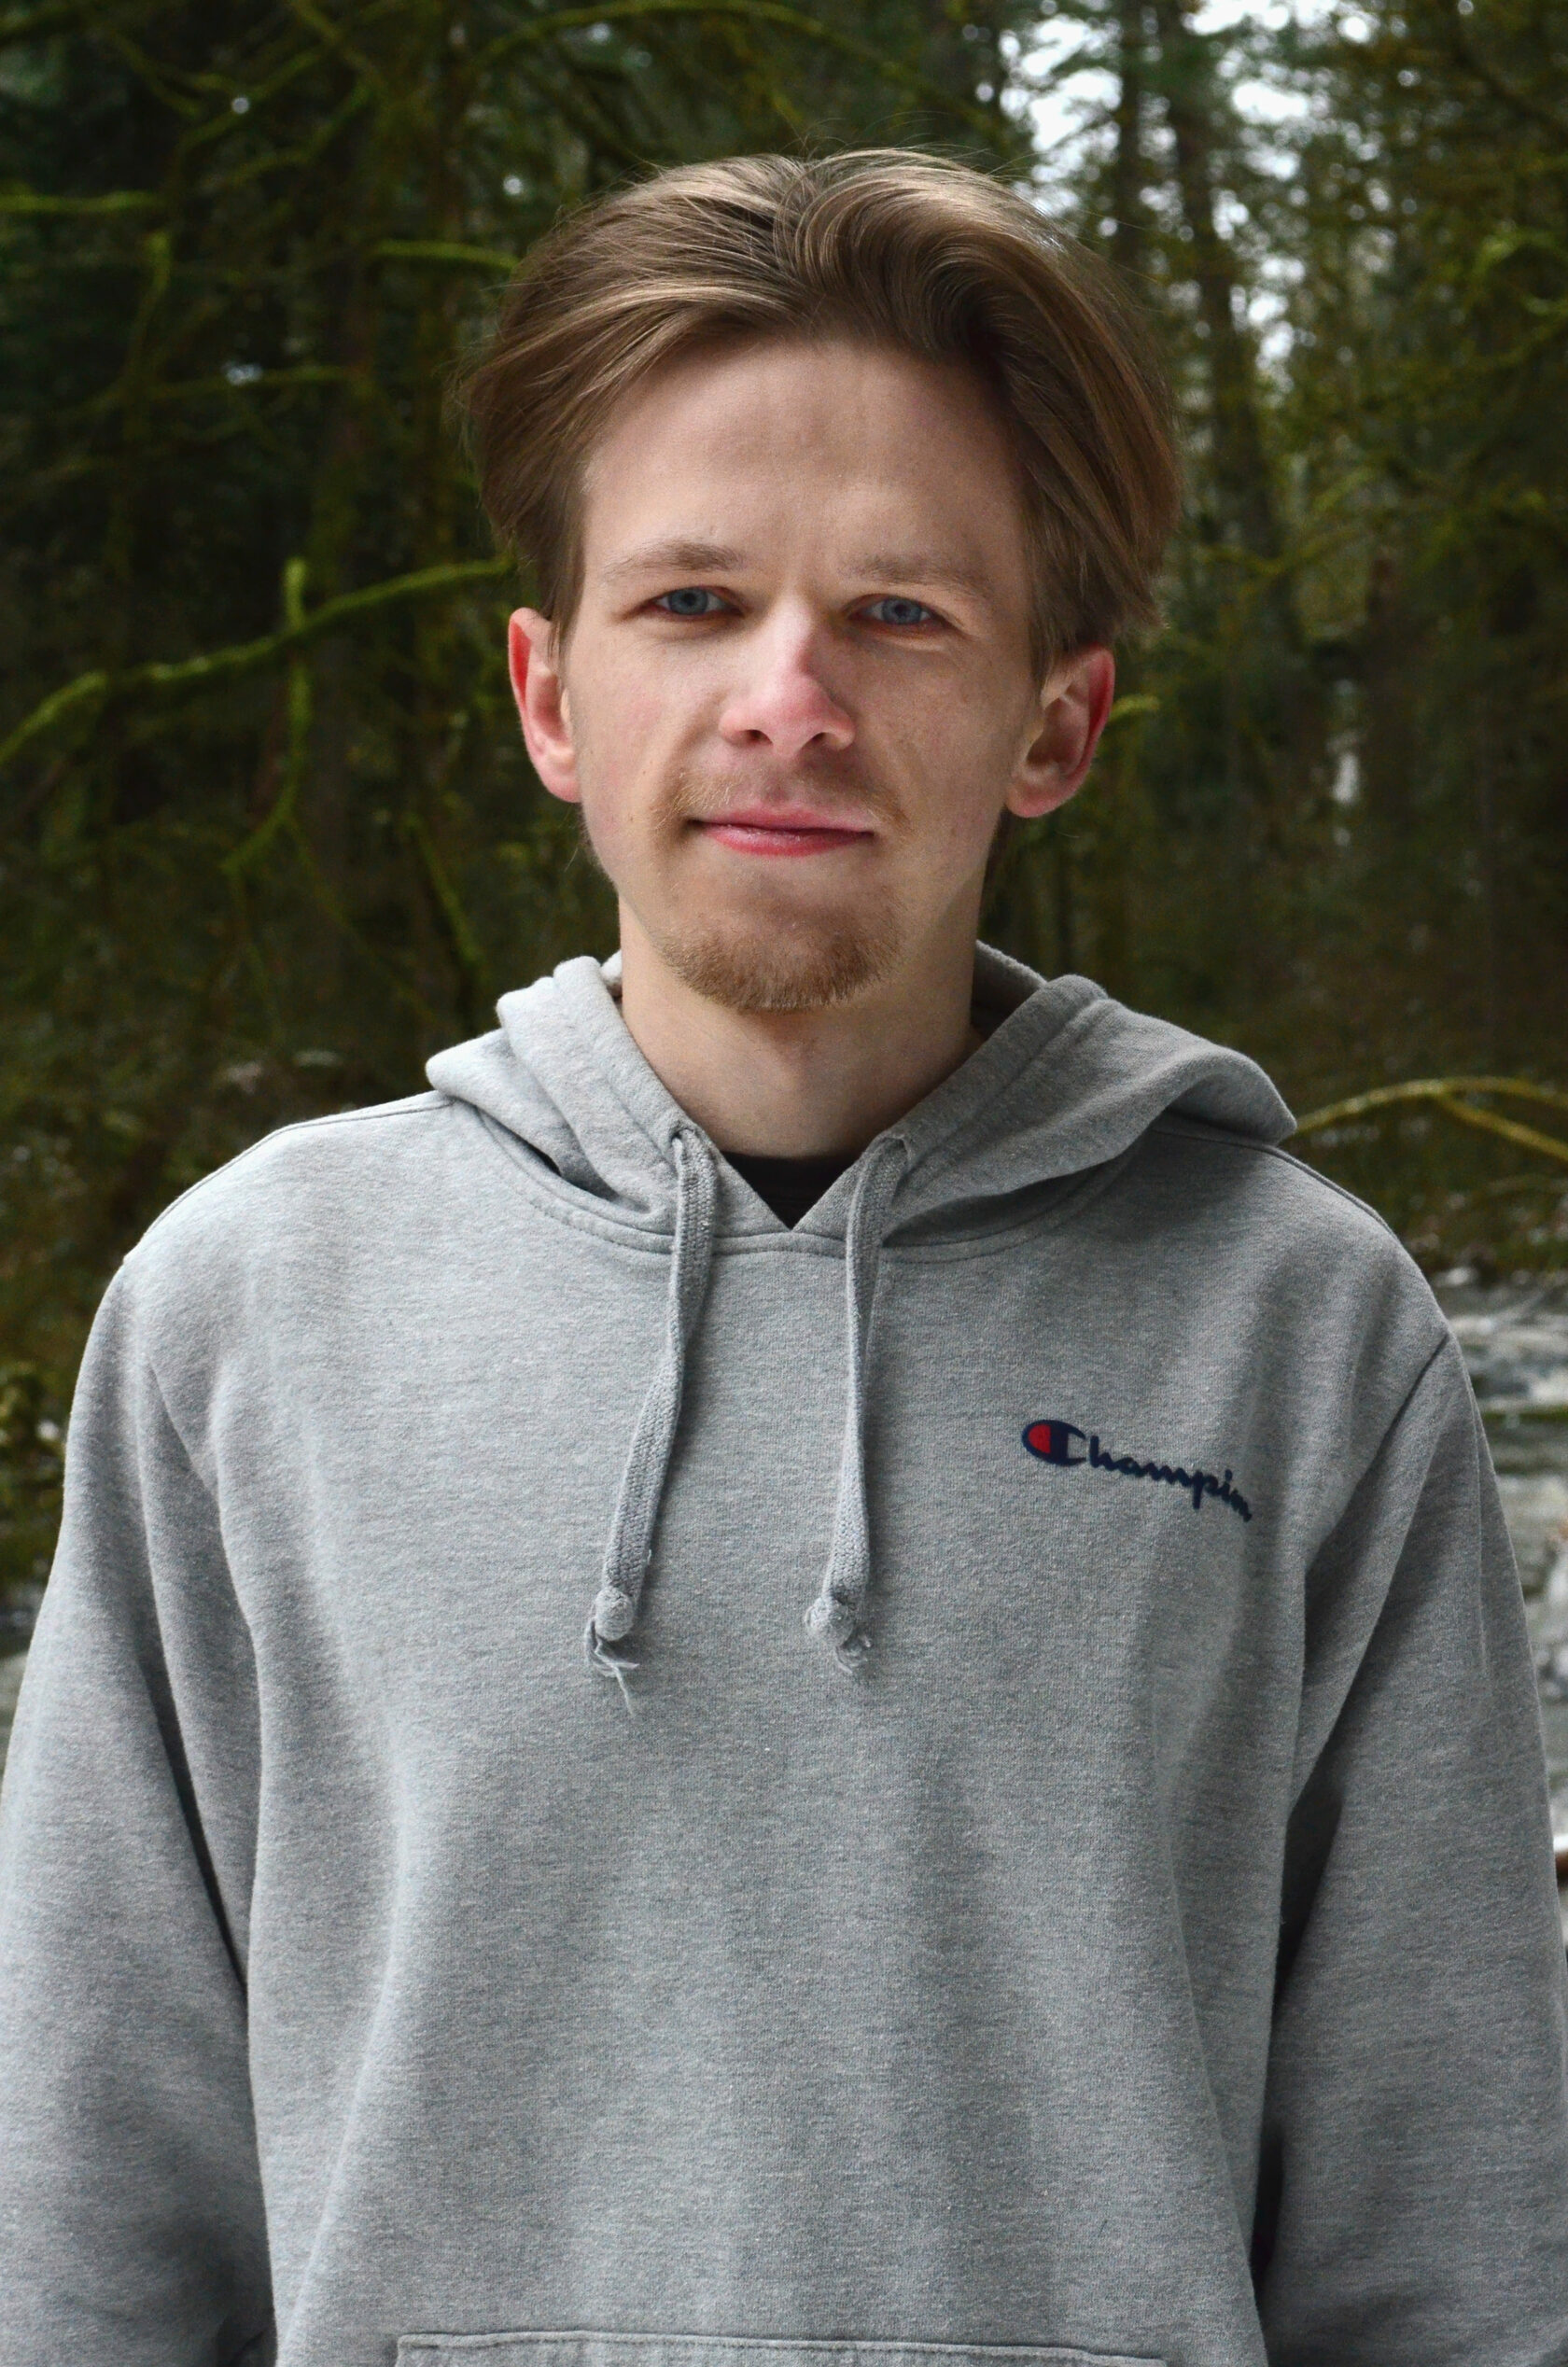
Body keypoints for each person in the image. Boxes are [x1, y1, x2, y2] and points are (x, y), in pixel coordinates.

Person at [0, 149, 1562, 2367]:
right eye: (693, 600)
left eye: (900, 612)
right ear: (551, 694)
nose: (791, 697)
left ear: (1056, 721)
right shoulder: (244, 1315)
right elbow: (83, 2227)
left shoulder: (1300, 1332)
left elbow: (1453, 2238)